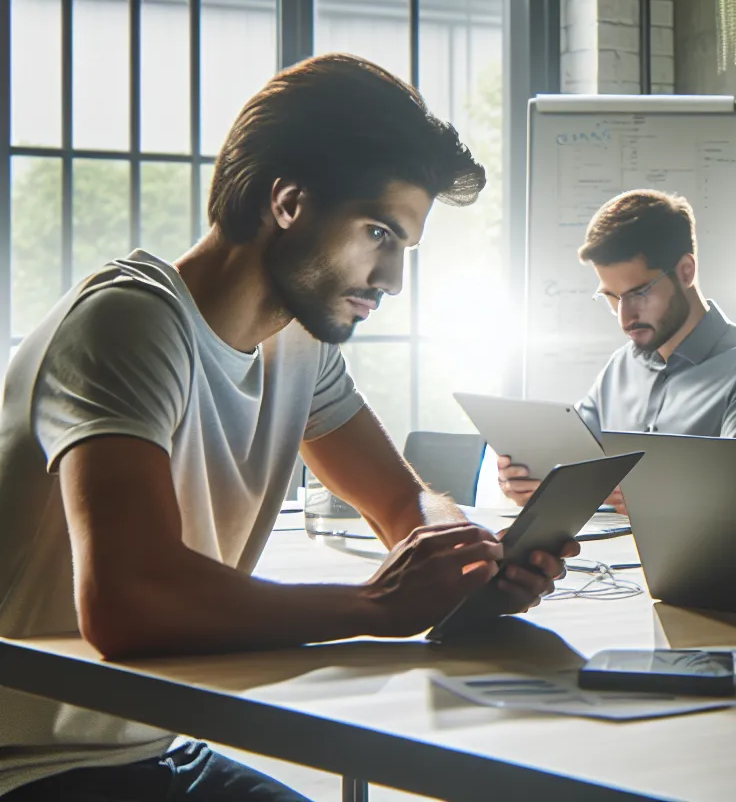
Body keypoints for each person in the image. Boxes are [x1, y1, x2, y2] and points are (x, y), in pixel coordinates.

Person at [0, 55, 577, 800]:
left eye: (401, 247)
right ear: (289, 203)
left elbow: (404, 504)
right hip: (32, 770)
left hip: (158, 744)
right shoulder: (129, 323)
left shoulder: (297, 342)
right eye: (379, 234)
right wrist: (374, 606)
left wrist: (464, 556)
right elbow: (125, 602)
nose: (391, 279)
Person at [497, 189, 736, 506]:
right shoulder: (619, 368)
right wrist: (527, 476)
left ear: (685, 272)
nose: (625, 317)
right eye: (611, 297)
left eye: (639, 293)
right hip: (599, 554)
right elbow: (571, 461)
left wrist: (656, 497)